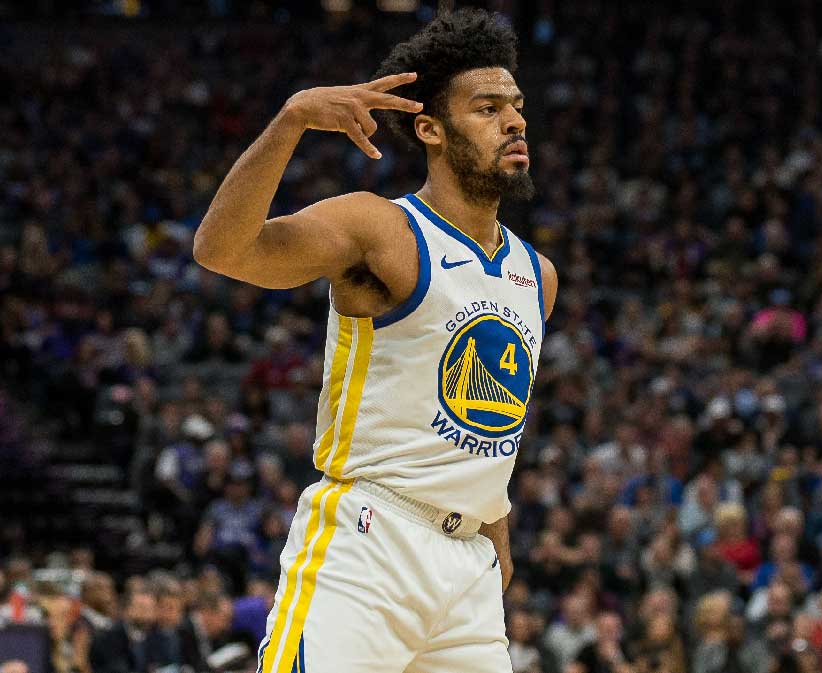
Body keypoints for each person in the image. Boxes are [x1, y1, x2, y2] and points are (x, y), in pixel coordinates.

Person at [193, 9, 557, 672]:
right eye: (487, 108)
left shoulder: (538, 274)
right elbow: (222, 248)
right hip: (369, 542)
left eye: (517, 105)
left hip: (468, 567)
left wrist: (495, 526)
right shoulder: (381, 228)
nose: (514, 121)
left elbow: (488, 414)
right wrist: (292, 120)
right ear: (431, 129)